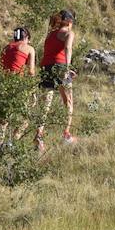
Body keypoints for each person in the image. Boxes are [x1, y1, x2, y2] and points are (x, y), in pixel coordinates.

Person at [38, 10, 78, 146]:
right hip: (60, 68)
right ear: (70, 22)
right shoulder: (69, 33)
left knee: (45, 104)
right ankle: (66, 135)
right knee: (69, 102)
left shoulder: (50, 35)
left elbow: (48, 53)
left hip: (46, 67)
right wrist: (67, 68)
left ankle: (38, 136)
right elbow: (67, 48)